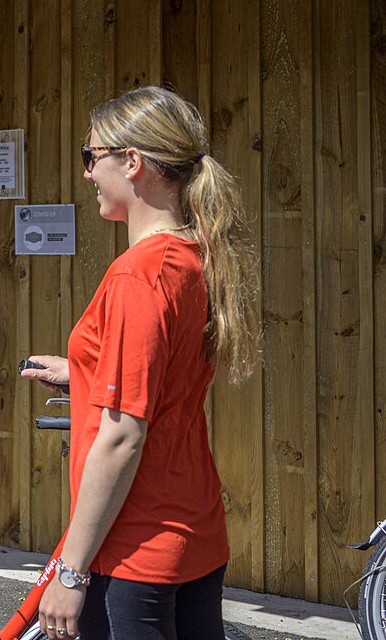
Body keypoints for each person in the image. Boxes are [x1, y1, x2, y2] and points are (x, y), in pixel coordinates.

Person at [20, 86, 260, 640]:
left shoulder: (139, 273)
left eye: (91, 155)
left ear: (131, 162)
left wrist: (71, 572)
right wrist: (84, 371)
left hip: (134, 549)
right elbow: (168, 377)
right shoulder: (194, 256)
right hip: (194, 534)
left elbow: (123, 435)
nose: (87, 172)